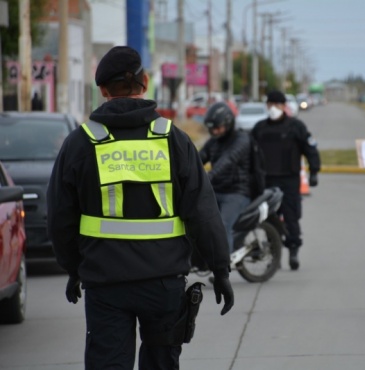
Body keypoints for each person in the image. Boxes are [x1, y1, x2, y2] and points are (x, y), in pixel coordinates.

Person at [46, 46, 234, 370]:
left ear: (103, 90)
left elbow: (60, 217)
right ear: (144, 83)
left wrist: (74, 268)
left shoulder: (80, 144)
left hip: (105, 284)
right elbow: (203, 211)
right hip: (164, 283)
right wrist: (220, 269)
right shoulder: (173, 139)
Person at [251, 90, 321, 270]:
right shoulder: (259, 128)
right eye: (270, 104)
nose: (273, 108)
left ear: (284, 106)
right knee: (268, 217)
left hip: (289, 180)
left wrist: (314, 171)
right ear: (266, 106)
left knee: (291, 216)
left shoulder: (296, 126)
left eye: (277, 104)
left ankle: (293, 251)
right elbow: (249, 153)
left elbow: (310, 148)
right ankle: (274, 256)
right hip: (266, 180)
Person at [199, 102, 252, 254]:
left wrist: (209, 176)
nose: (214, 131)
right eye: (211, 128)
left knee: (222, 225)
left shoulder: (241, 140)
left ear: (228, 124)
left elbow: (227, 161)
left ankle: (223, 270)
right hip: (216, 190)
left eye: (217, 127)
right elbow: (198, 158)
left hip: (237, 192)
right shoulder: (214, 141)